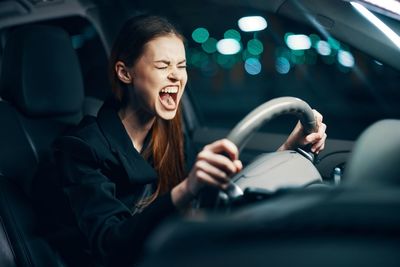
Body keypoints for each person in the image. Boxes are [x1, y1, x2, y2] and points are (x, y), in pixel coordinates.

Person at [50, 14, 327, 267]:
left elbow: (217, 193)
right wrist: (187, 189)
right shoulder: (80, 148)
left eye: (181, 65)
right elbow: (109, 245)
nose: (176, 75)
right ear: (125, 73)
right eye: (162, 65)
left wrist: (287, 150)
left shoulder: (170, 131)